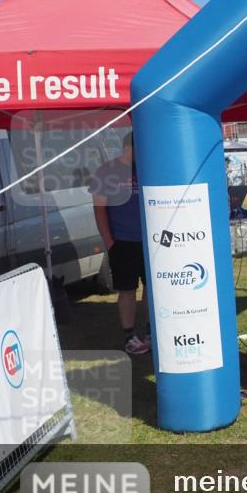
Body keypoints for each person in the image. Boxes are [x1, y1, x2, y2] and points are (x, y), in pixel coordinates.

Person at [90, 132, 149, 355]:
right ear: (128, 148)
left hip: (150, 240)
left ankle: (151, 331)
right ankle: (129, 335)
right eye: (138, 149)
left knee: (152, 289)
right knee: (127, 289)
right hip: (122, 241)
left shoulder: (149, 167)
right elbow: (99, 209)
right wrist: (109, 241)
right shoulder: (107, 171)